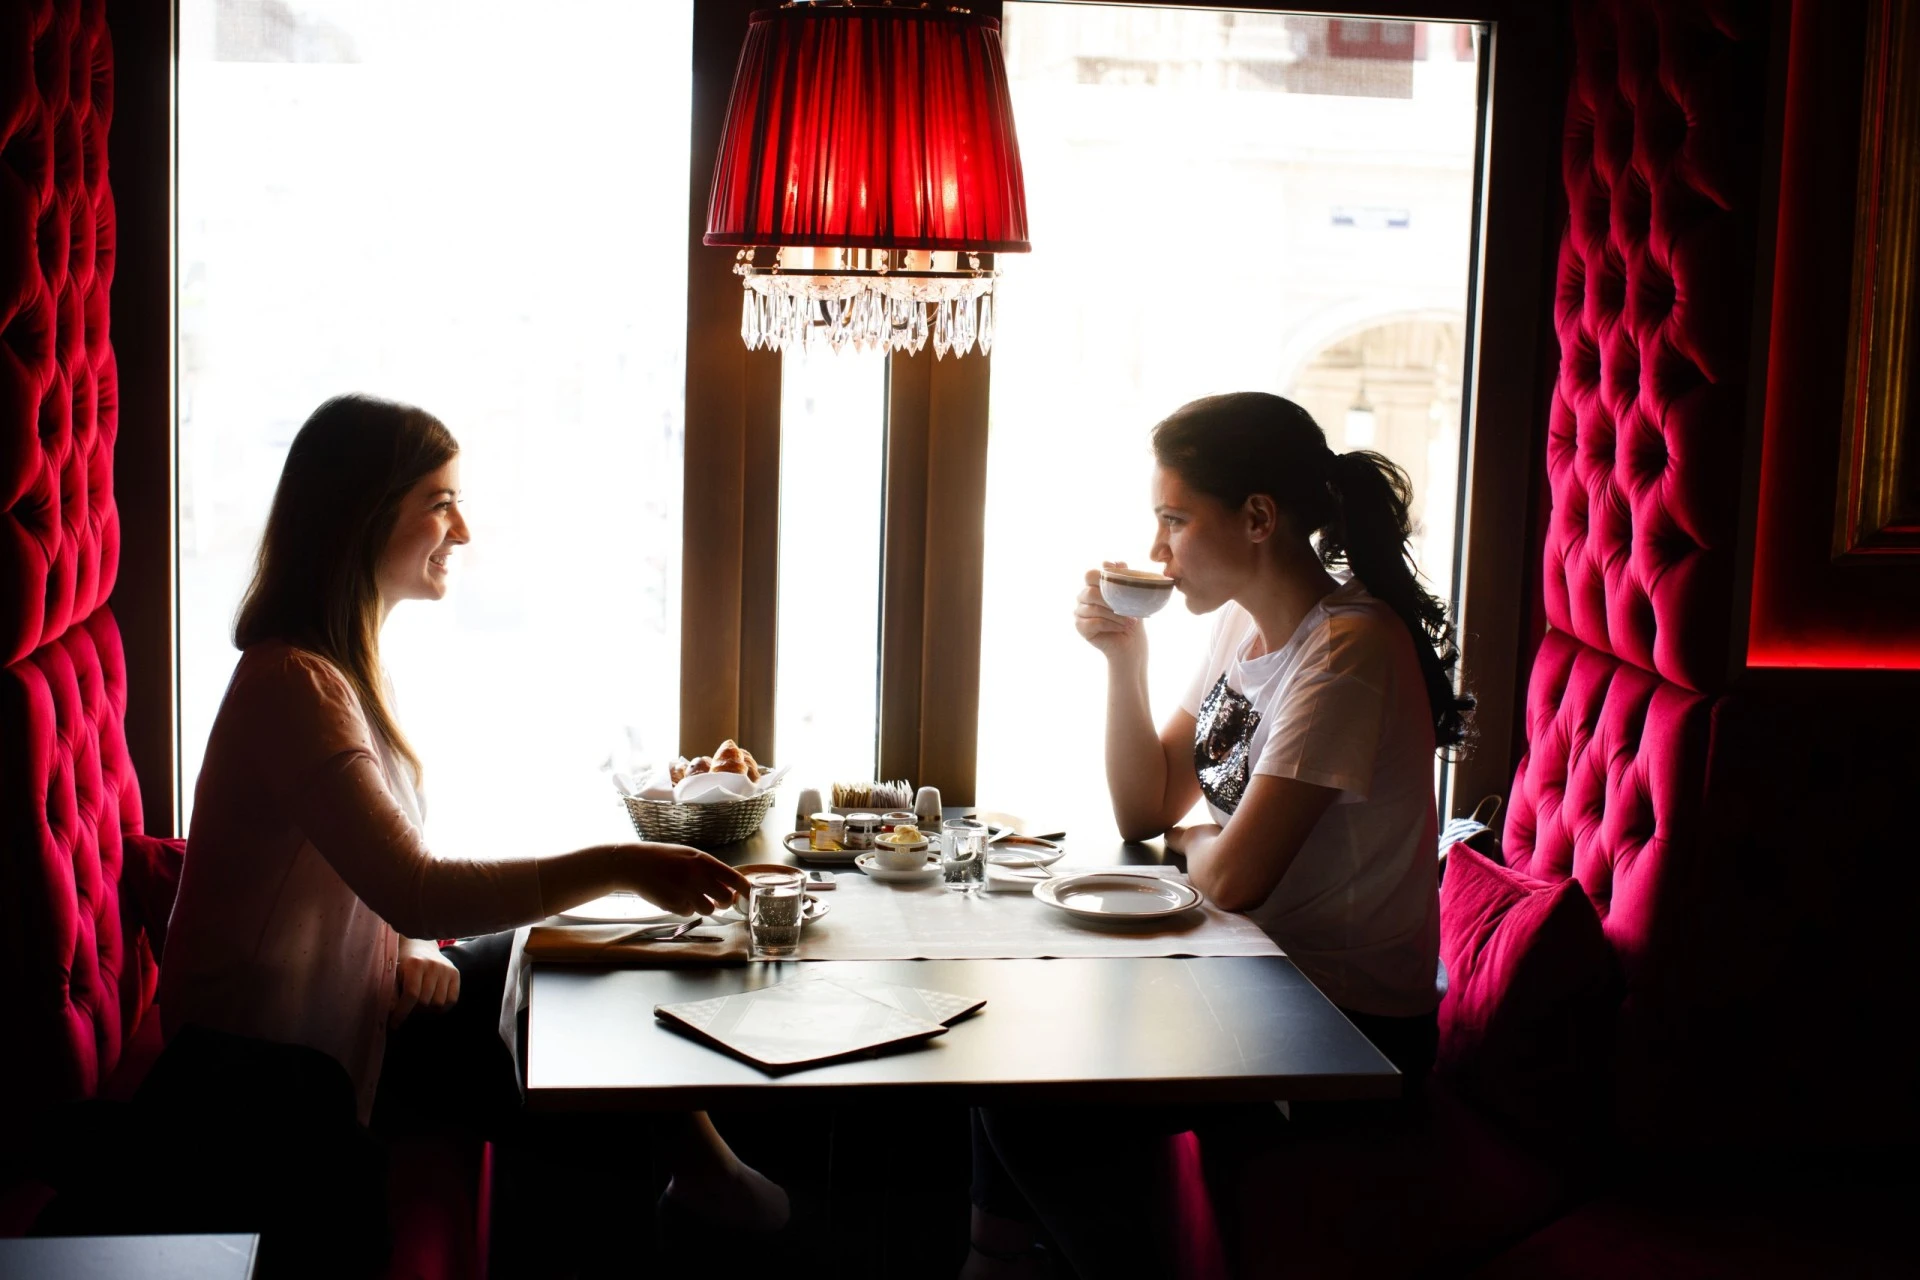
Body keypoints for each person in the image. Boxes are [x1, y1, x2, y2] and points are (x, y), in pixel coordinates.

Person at [153, 394, 784, 1274]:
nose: (464, 530)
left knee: (562, 965)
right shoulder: (292, 686)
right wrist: (620, 865)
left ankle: (706, 1180)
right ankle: (709, 1192)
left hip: (352, 1019)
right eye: (440, 503)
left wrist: (414, 945)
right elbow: (414, 884)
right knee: (568, 1031)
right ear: (364, 516)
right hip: (261, 1078)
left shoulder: (341, 672)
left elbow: (377, 874)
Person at [964, 391, 1473, 1279]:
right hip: (1253, 973)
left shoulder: (1347, 651)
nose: (1158, 549)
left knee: (1034, 1107)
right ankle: (994, 1263)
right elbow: (1145, 809)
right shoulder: (1243, 621)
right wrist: (1125, 659)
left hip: (1344, 1020)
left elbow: (1235, 880)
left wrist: (1195, 844)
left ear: (1258, 519)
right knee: (1008, 1037)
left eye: (1174, 520)